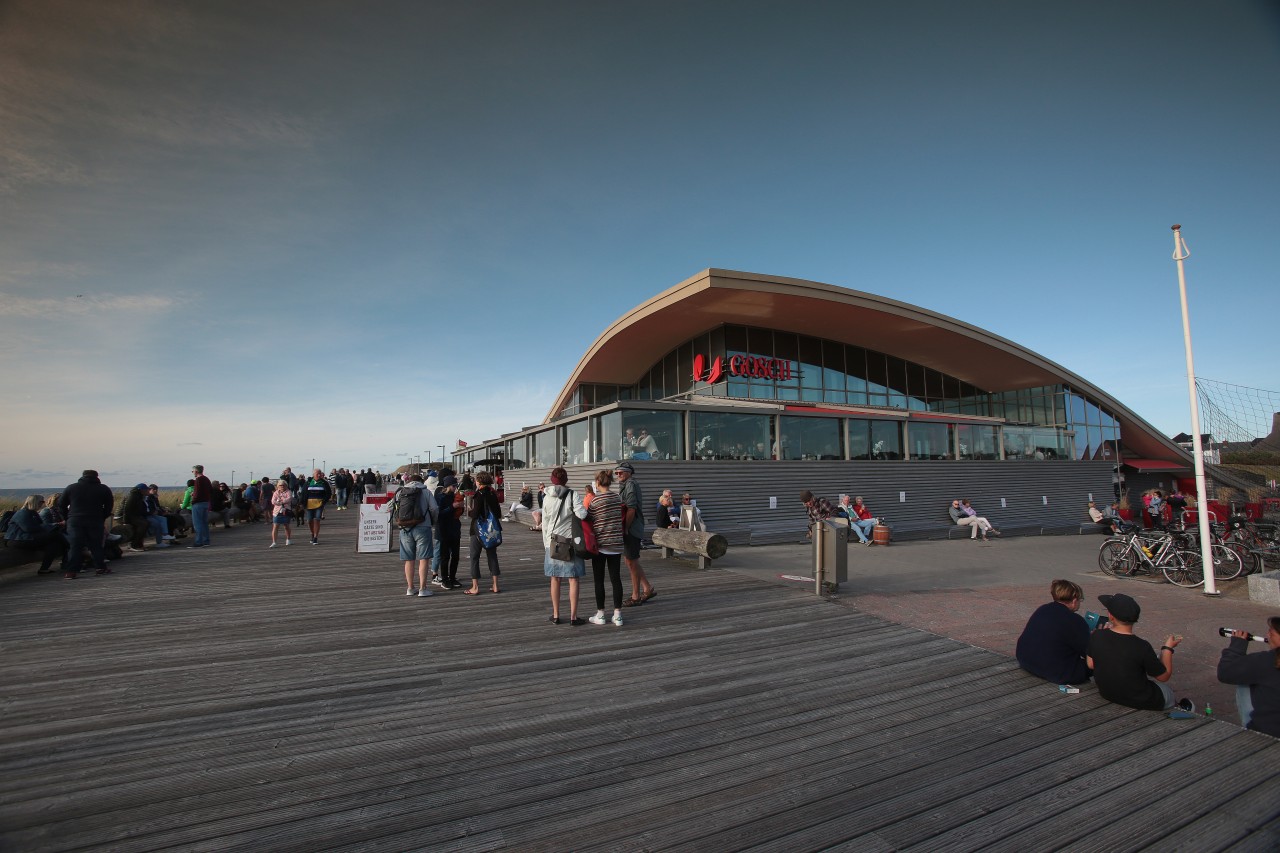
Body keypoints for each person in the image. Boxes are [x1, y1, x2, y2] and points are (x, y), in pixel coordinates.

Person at [1086, 593, 1189, 712]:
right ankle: (1180, 707)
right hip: (1139, 698)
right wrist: (1168, 648)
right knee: (1167, 691)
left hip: (1107, 692)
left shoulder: (1097, 635)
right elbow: (1164, 676)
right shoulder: (1141, 646)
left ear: (1111, 616)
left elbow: (1090, 664)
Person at [1015, 580, 1093, 685]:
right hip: (1058, 672)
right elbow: (1089, 653)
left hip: (1026, 660)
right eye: (1080, 600)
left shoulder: (1043, 609)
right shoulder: (1075, 620)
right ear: (1074, 601)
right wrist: (1099, 637)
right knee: (1096, 663)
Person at [1216, 617, 1280, 737]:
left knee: (1244, 682)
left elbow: (1225, 672)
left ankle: (1251, 731)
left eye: (1271, 633)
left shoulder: (1268, 660)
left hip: (1268, 732)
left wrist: (1237, 646)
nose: (1267, 635)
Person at [541, 467, 588, 624]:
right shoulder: (573, 494)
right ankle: (573, 617)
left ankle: (556, 615)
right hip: (570, 542)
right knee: (573, 579)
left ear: (552, 480)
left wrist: (546, 544)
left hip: (553, 542)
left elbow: (545, 523)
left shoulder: (546, 496)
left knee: (555, 579)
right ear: (566, 480)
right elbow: (582, 514)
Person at [585, 470, 625, 627]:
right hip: (616, 543)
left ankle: (600, 614)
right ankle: (618, 615)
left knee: (599, 580)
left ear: (597, 482)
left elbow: (589, 518)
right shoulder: (617, 498)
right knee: (616, 579)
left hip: (600, 544)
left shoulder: (595, 501)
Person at [60, 469, 115, 578]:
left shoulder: (71, 487)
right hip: (95, 520)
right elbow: (109, 506)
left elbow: (61, 504)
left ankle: (71, 571)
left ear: (83, 476)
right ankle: (100, 568)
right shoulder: (103, 489)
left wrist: (67, 517)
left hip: (75, 520)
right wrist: (102, 516)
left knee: (75, 546)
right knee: (96, 545)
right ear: (96, 476)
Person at [615, 462, 654, 607]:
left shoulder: (630, 484)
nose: (618, 475)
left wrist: (625, 527)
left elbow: (631, 509)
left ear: (629, 473)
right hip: (632, 527)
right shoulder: (626, 484)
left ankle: (636, 596)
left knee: (631, 561)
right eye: (616, 473)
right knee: (631, 560)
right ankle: (647, 588)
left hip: (632, 528)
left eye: (621, 472)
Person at [394, 473, 439, 597]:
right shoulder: (426, 492)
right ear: (421, 481)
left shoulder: (401, 491)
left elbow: (393, 508)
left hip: (405, 528)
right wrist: (433, 521)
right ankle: (423, 589)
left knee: (409, 559)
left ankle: (410, 588)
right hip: (423, 527)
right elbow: (434, 508)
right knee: (423, 558)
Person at [5, 495, 69, 574]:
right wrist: (53, 525)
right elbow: (29, 528)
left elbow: (40, 526)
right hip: (18, 539)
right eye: (41, 502)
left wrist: (48, 527)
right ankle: (75, 549)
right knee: (56, 535)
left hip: (28, 538)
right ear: (35, 502)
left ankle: (44, 569)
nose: (42, 503)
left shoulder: (33, 513)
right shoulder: (23, 513)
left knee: (53, 544)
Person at [465, 470, 502, 595]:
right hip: (491, 531)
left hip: (478, 530)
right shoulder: (493, 494)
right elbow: (498, 513)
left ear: (479, 482)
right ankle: (495, 585)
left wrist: (469, 511)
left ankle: (475, 587)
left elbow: (475, 514)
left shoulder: (478, 495)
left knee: (474, 557)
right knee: (492, 556)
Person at [434, 475, 463, 589]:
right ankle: (445, 579)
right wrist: (452, 506)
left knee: (455, 556)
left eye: (456, 485)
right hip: (443, 529)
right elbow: (439, 514)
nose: (455, 488)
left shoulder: (456, 496)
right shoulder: (440, 497)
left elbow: (458, 513)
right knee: (445, 556)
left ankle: (452, 577)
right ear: (447, 486)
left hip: (455, 528)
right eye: (453, 486)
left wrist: (461, 507)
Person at [303, 469, 332, 545]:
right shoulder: (308, 482)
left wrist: (324, 501)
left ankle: (315, 537)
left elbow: (329, 493)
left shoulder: (324, 483)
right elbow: (303, 493)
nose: (319, 475)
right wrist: (302, 503)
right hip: (309, 504)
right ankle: (312, 533)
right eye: (317, 474)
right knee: (309, 520)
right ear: (313, 474)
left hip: (319, 504)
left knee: (317, 519)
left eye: (320, 474)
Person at [188, 465, 213, 547]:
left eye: (193, 471)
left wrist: (193, 500)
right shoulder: (206, 479)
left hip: (198, 503)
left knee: (197, 523)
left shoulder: (198, 480)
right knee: (204, 523)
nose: (192, 473)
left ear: (196, 471)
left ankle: (199, 541)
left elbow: (198, 492)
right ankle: (206, 540)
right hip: (205, 503)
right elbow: (210, 490)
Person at [121, 483, 151, 552]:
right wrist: (125, 522)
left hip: (135, 516)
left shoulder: (139, 496)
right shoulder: (133, 496)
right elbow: (127, 509)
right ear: (141, 490)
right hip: (129, 516)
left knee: (145, 523)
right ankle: (133, 544)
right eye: (146, 490)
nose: (147, 491)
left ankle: (139, 544)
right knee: (144, 524)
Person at [269, 479, 294, 547]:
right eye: (280, 485)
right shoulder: (276, 493)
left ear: (286, 485)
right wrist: (281, 502)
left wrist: (280, 501)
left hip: (286, 511)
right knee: (275, 526)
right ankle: (274, 542)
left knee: (286, 526)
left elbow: (289, 499)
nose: (282, 486)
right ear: (278, 486)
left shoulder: (289, 492)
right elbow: (273, 501)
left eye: (283, 485)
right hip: (277, 512)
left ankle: (288, 539)